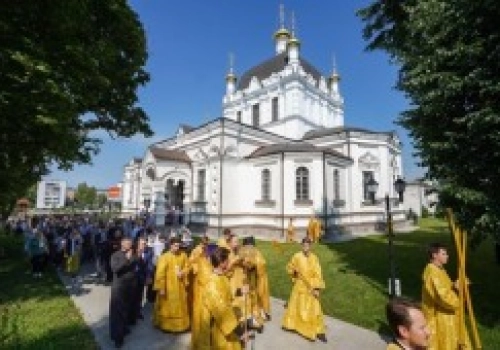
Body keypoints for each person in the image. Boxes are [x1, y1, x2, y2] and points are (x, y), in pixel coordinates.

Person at [195, 246, 251, 349]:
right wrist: (240, 332)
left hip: (227, 325)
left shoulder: (222, 277)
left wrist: (240, 291)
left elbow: (227, 295)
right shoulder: (212, 284)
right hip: (219, 328)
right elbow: (221, 311)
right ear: (221, 263)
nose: (229, 261)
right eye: (227, 260)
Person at [421, 243, 470, 349]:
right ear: (434, 255)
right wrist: (459, 296)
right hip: (439, 318)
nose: (447, 256)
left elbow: (445, 288)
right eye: (444, 253)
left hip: (446, 315)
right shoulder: (432, 273)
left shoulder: (440, 270)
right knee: (445, 345)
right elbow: (443, 297)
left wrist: (454, 285)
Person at [282, 237, 327, 342]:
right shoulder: (296, 256)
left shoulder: (315, 258)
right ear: (301, 245)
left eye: (308, 245)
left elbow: (318, 274)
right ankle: (291, 325)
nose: (306, 247)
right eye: (304, 245)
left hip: (310, 286)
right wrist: (294, 271)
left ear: (311, 246)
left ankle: (319, 331)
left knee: (315, 308)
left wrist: (316, 288)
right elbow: (289, 268)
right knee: (295, 306)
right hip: (299, 286)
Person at [153, 237, 190, 332]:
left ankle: (181, 326)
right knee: (167, 306)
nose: (177, 248)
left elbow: (188, 267)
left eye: (178, 246)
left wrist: (183, 272)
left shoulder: (183, 255)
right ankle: (167, 326)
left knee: (180, 306)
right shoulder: (164, 257)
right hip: (168, 286)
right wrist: (161, 287)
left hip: (180, 286)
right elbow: (160, 273)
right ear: (170, 245)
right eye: (175, 246)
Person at [109, 237, 138, 348]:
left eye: (130, 244)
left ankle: (123, 329)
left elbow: (134, 267)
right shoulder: (115, 255)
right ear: (122, 244)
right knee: (117, 312)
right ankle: (117, 338)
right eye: (127, 243)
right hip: (119, 288)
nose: (129, 245)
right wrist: (126, 259)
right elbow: (115, 269)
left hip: (130, 287)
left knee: (126, 310)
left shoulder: (132, 254)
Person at [189, 236, 215, 349]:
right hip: (200, 289)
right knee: (200, 315)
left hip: (209, 292)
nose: (205, 245)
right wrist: (195, 269)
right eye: (204, 243)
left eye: (207, 244)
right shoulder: (196, 252)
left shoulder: (210, 260)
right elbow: (191, 263)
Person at [133, 237, 154, 321]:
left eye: (145, 244)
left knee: (140, 295)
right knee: (131, 295)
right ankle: (130, 312)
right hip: (132, 277)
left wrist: (149, 277)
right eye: (142, 244)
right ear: (138, 243)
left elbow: (150, 265)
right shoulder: (133, 250)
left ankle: (138, 312)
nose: (144, 246)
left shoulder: (149, 251)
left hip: (141, 277)